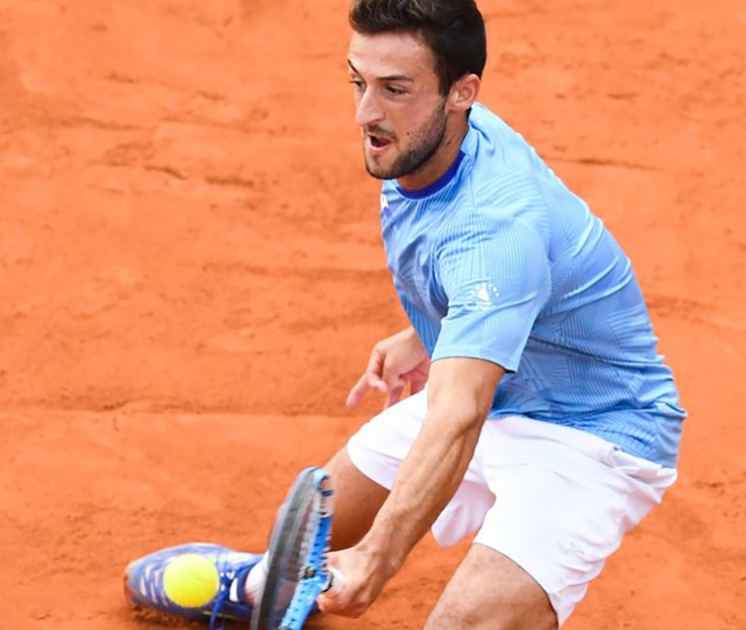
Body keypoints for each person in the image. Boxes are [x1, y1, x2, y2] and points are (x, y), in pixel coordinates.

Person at [123, 0, 687, 628]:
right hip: (502, 377)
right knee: (313, 534)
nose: (368, 113)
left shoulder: (497, 230)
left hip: (590, 435)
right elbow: (506, 287)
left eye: (395, 89)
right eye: (358, 82)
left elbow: (458, 412)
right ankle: (260, 584)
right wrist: (434, 335)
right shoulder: (425, 142)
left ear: (460, 93)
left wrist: (378, 559)